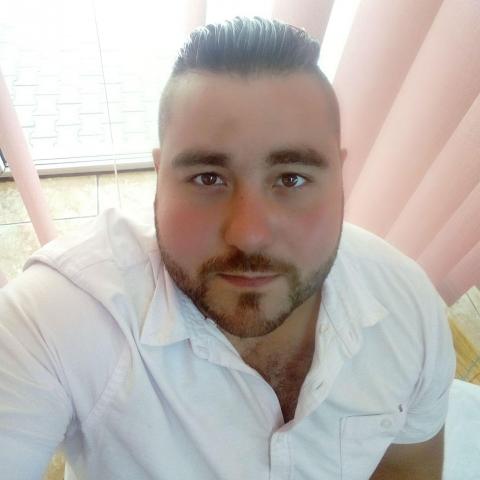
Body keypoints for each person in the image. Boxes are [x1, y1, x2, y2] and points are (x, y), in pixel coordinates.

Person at [0, 16, 456, 480]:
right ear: (160, 176)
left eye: (291, 179)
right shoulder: (58, 318)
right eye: (207, 178)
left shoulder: (407, 305)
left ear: (339, 178)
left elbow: (407, 467)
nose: (249, 233)